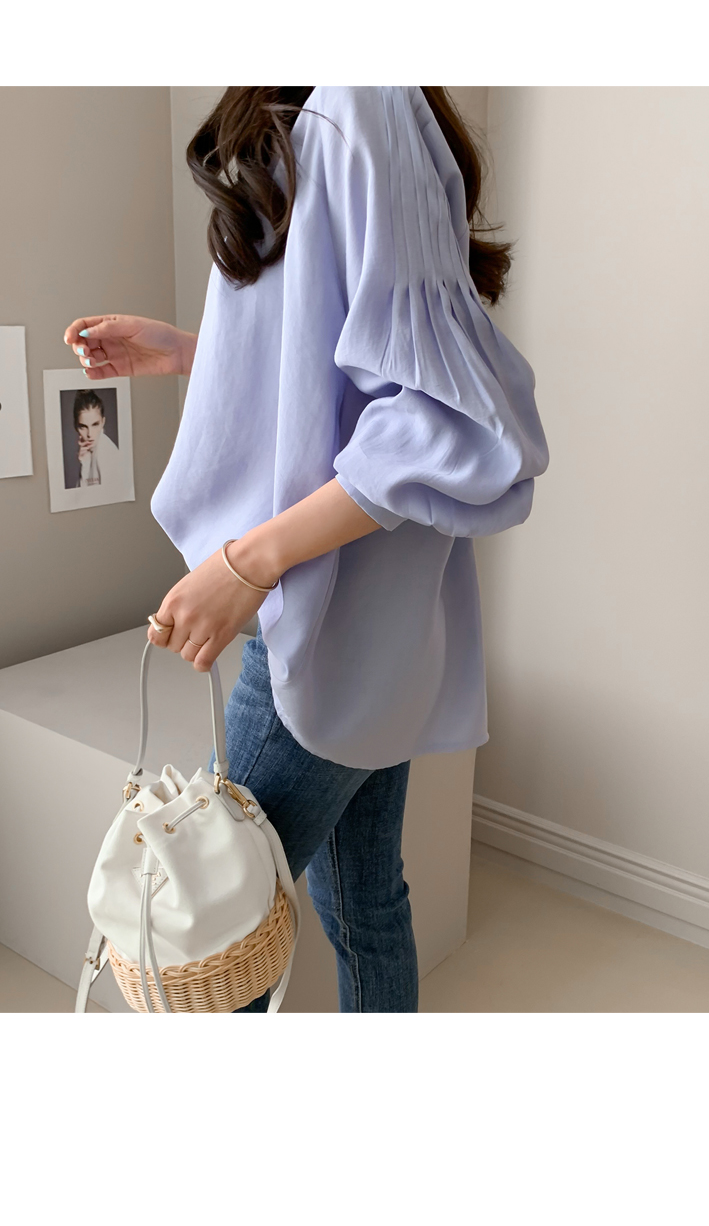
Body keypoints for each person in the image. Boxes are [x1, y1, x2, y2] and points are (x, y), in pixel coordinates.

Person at [64, 86, 549, 1013]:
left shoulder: (357, 101)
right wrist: (192, 351)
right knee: (364, 906)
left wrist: (247, 564)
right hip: (369, 622)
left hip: (325, 615)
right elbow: (347, 362)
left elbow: (438, 415)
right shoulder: (338, 104)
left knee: (206, 935)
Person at [72, 389, 121, 489]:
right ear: (75, 426)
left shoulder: (107, 452)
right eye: (83, 427)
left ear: (103, 422)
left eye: (95, 424)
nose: (90, 434)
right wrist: (85, 463)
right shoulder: (89, 452)